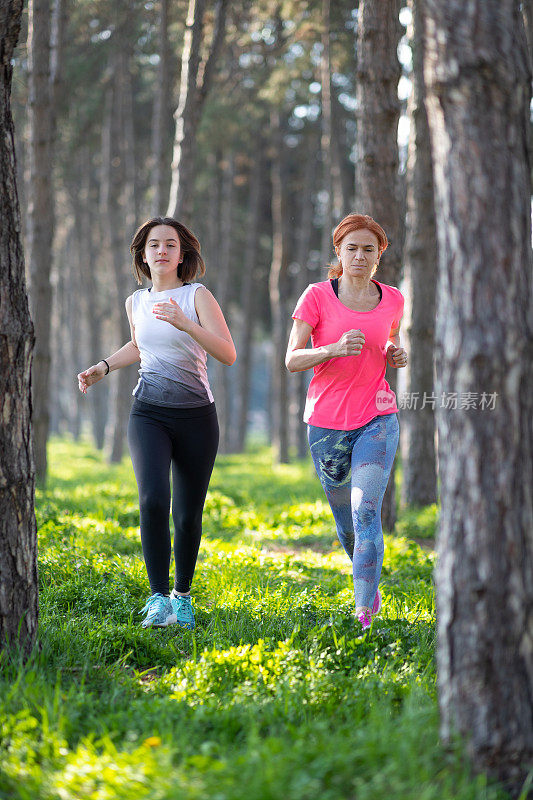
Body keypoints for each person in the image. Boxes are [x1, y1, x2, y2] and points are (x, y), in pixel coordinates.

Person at [78, 216, 236, 630]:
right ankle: (157, 598)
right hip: (148, 412)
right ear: (143, 255)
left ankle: (182, 597)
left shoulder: (197, 296)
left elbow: (227, 353)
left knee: (187, 514)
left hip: (197, 417)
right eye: (154, 245)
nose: (162, 251)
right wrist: (104, 366)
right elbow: (139, 342)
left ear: (182, 253)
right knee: (151, 499)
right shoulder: (136, 301)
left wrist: (186, 323)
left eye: (170, 244)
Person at [286, 213, 407, 631]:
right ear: (338, 251)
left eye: (368, 249)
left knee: (365, 510)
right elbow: (291, 359)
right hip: (326, 424)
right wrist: (332, 349)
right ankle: (367, 583)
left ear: (379, 256)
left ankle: (363, 613)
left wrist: (394, 351)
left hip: (378, 416)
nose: (359, 255)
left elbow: (389, 336)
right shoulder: (317, 296)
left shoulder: (392, 297)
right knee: (346, 523)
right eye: (351, 247)